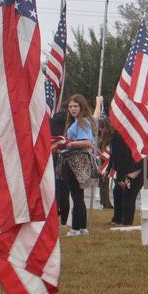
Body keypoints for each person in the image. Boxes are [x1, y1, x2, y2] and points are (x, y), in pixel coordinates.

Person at [60, 94, 96, 236]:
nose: (72, 109)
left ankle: (75, 229)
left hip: (76, 161)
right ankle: (82, 227)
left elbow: (87, 142)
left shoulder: (82, 122)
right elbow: (96, 116)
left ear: (82, 107)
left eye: (76, 106)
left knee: (76, 195)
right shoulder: (83, 121)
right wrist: (99, 102)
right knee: (79, 195)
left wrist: (66, 143)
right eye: (70, 106)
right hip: (79, 161)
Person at [102, 124, 143, 226]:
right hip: (126, 169)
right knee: (117, 192)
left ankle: (127, 222)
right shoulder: (115, 137)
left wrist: (121, 177)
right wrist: (108, 169)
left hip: (135, 170)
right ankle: (117, 219)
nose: (101, 130)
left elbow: (123, 158)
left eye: (103, 128)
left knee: (128, 195)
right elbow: (114, 155)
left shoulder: (119, 137)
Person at [50, 109, 69, 224]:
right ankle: (64, 221)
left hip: (53, 158)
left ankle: (54, 214)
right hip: (66, 159)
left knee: (54, 189)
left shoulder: (51, 123)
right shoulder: (68, 125)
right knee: (65, 191)